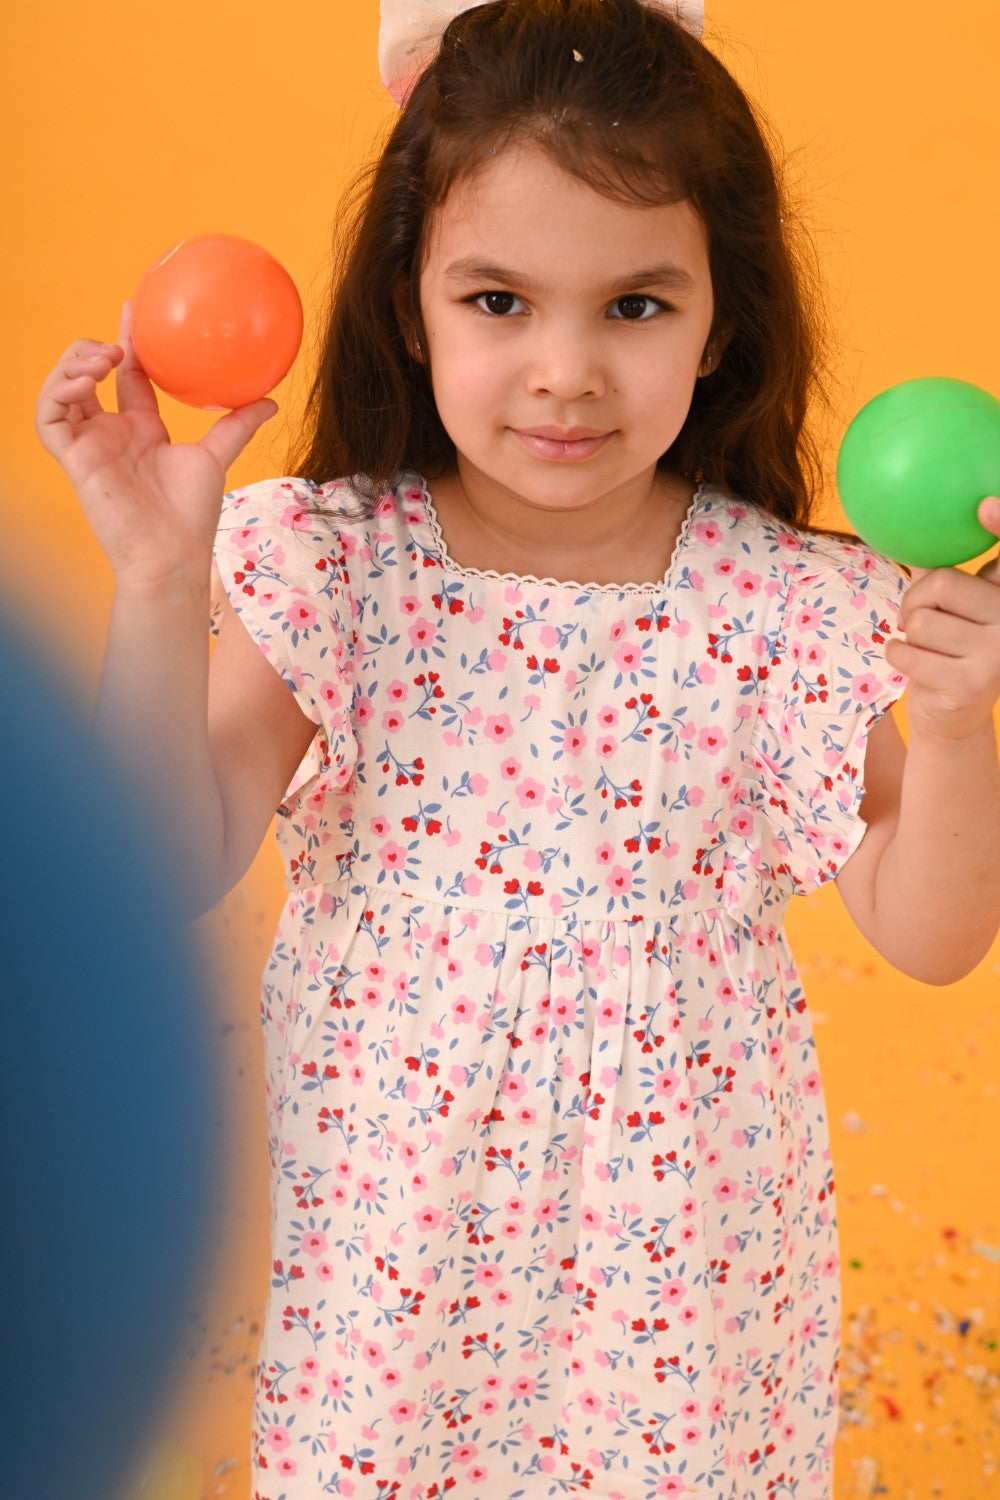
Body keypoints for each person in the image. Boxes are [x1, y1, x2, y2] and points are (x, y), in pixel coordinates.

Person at [35, 1, 1000, 1495]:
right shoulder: (343, 570)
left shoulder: (783, 605)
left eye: (635, 306)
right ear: (409, 305)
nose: (566, 371)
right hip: (394, 1280)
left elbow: (933, 934)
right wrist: (162, 583)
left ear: (719, 317)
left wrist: (954, 722)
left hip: (690, 1297)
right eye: (499, 301)